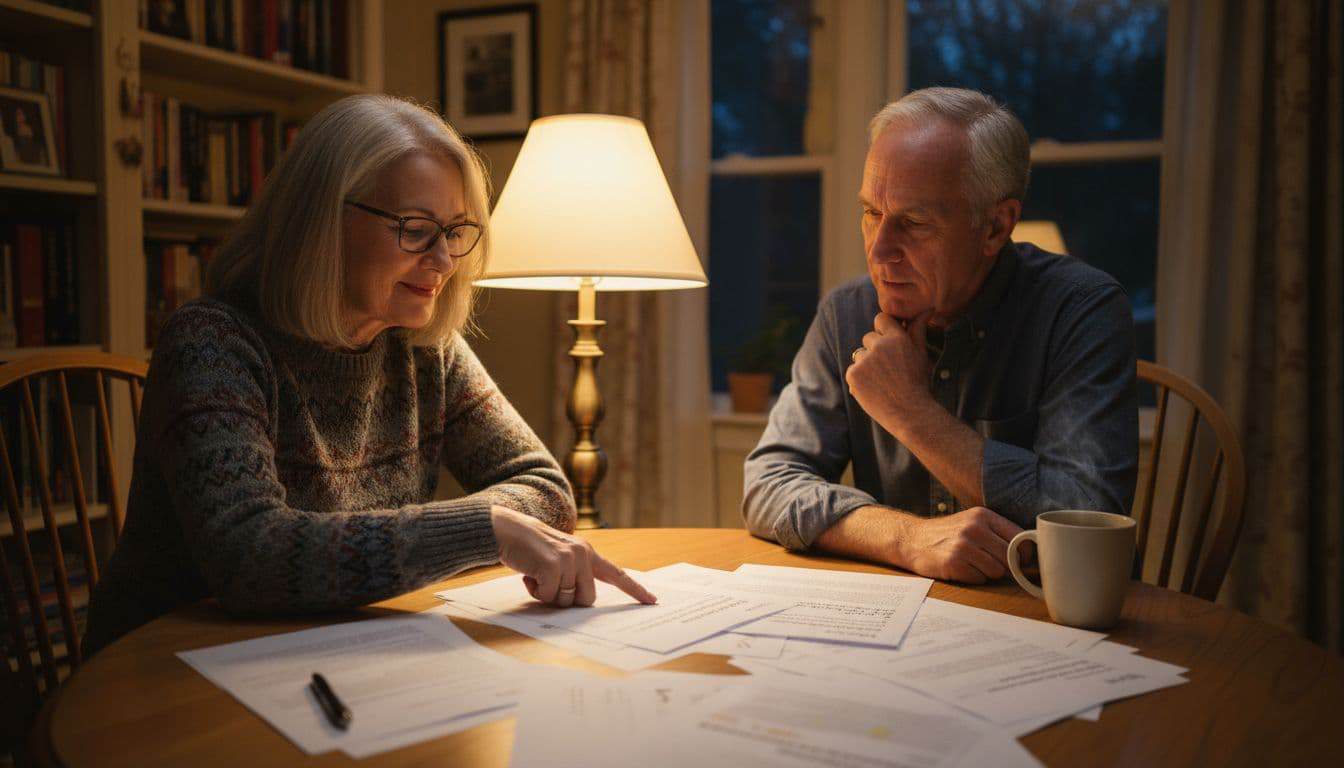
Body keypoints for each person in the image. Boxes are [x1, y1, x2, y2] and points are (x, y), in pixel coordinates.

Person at [84, 95, 654, 655]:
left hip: (330, 647)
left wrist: (492, 523)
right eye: (414, 228)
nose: (444, 261)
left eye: (455, 230)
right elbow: (248, 555)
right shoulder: (214, 342)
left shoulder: (426, 348)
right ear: (320, 221)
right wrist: (483, 527)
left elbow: (545, 488)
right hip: (168, 668)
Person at [742, 87, 1138, 584]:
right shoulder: (847, 313)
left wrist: (911, 412)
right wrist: (904, 538)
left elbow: (1085, 519)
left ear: (995, 226)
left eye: (914, 222)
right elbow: (768, 482)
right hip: (904, 617)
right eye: (871, 213)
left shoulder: (1081, 310)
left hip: (1046, 616)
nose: (880, 250)